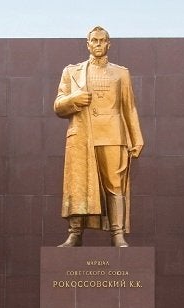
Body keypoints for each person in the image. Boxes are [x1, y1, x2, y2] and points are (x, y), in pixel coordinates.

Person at [54, 26, 144, 247]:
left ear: (108, 44)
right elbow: (58, 106)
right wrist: (74, 99)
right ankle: (75, 233)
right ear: (87, 44)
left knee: (115, 185)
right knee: (78, 186)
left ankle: (117, 234)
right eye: (93, 40)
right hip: (82, 136)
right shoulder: (72, 72)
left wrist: (137, 137)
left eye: (102, 41)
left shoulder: (121, 73)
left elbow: (129, 107)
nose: (98, 44)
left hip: (113, 134)